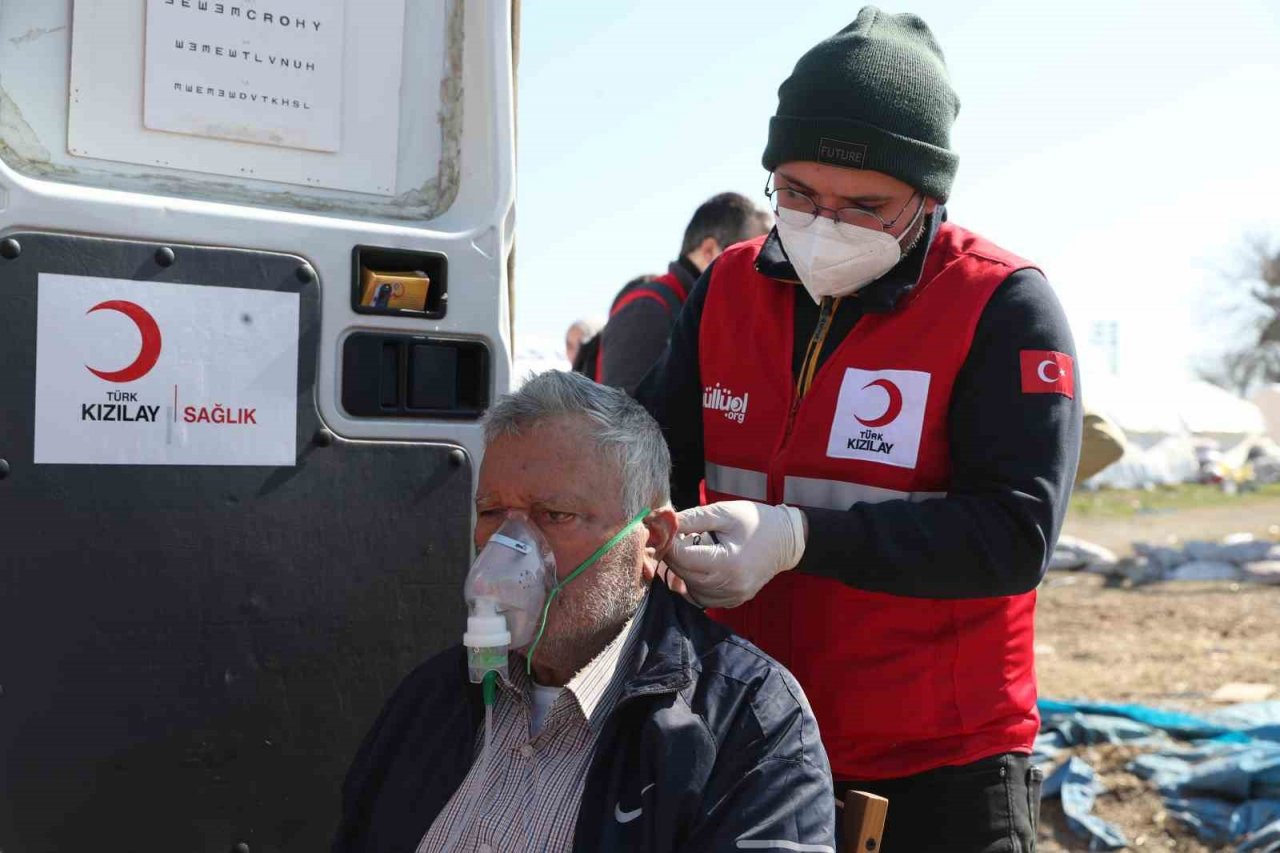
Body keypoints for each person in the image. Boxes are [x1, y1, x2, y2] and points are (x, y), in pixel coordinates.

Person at [637, 8, 1082, 851]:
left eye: (867, 204)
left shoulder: (1002, 306)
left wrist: (800, 537)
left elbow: (1013, 534)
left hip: (939, 766)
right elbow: (653, 447)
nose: (825, 223)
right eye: (798, 194)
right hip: (751, 735)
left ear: (930, 196)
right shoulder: (728, 289)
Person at [332, 371, 835, 853]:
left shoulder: (746, 723)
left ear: (652, 539)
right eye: (491, 513)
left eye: (555, 516)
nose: (509, 548)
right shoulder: (435, 700)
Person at [595, 193, 771, 394]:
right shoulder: (648, 310)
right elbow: (622, 417)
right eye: (751, 256)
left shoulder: (705, 312)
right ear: (709, 251)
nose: (764, 271)